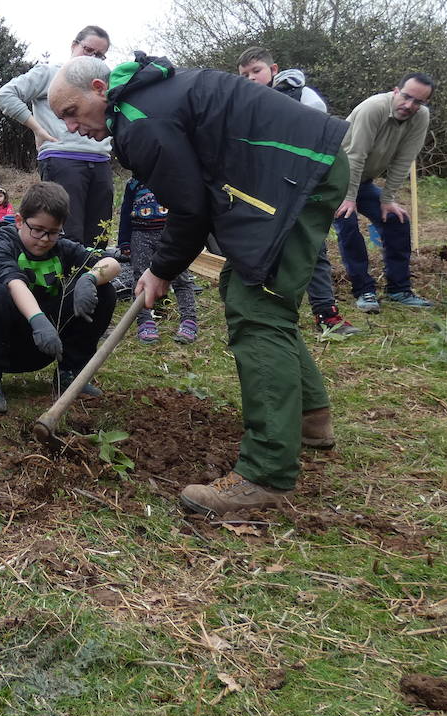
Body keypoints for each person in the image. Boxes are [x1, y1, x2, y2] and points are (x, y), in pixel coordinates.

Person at [47, 53, 349, 516]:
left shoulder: (140, 119)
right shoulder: (146, 99)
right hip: (296, 169)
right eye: (62, 117)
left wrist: (161, 269)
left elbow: (190, 210)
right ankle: (310, 418)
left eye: (71, 111)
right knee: (251, 292)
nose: (71, 126)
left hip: (295, 173)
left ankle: (267, 472)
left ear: (99, 90)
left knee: (257, 306)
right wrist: (161, 266)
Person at [237, 47, 361, 337]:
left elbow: (316, 135)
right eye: (244, 75)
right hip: (262, 189)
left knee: (311, 248)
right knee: (262, 248)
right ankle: (266, 309)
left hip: (300, 186)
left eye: (256, 71)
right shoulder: (244, 103)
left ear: (274, 69)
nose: (251, 78)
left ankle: (326, 314)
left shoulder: (302, 96)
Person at [0, 181, 119, 414]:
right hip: (8, 343)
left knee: (104, 288)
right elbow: (13, 282)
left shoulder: (61, 246)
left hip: (51, 346)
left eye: (53, 232)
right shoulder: (3, 244)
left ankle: (69, 373)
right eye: (37, 230)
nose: (45, 239)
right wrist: (38, 320)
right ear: (19, 221)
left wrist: (90, 279)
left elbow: (111, 263)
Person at [0, 26, 114, 246]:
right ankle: (67, 279)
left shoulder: (104, 80)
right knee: (68, 231)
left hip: (101, 161)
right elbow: (5, 94)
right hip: (62, 159)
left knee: (100, 232)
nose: (93, 57)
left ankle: (95, 278)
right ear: (74, 46)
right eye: (88, 50)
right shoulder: (50, 73)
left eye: (99, 55)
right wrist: (36, 128)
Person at [334, 74, 435, 313]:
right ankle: (364, 290)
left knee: (397, 221)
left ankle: (399, 289)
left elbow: (404, 159)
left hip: (364, 181)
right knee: (347, 223)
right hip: (336, 178)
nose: (409, 105)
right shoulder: (373, 108)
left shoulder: (420, 117)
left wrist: (387, 199)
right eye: (406, 97)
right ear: (395, 91)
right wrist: (349, 197)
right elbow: (355, 155)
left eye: (418, 102)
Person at [115, 176, 199, 344]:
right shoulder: (133, 184)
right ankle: (145, 320)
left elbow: (184, 206)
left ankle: (189, 319)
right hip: (140, 235)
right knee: (140, 278)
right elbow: (125, 212)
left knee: (181, 276)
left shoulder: (172, 177)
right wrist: (124, 241)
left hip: (170, 233)